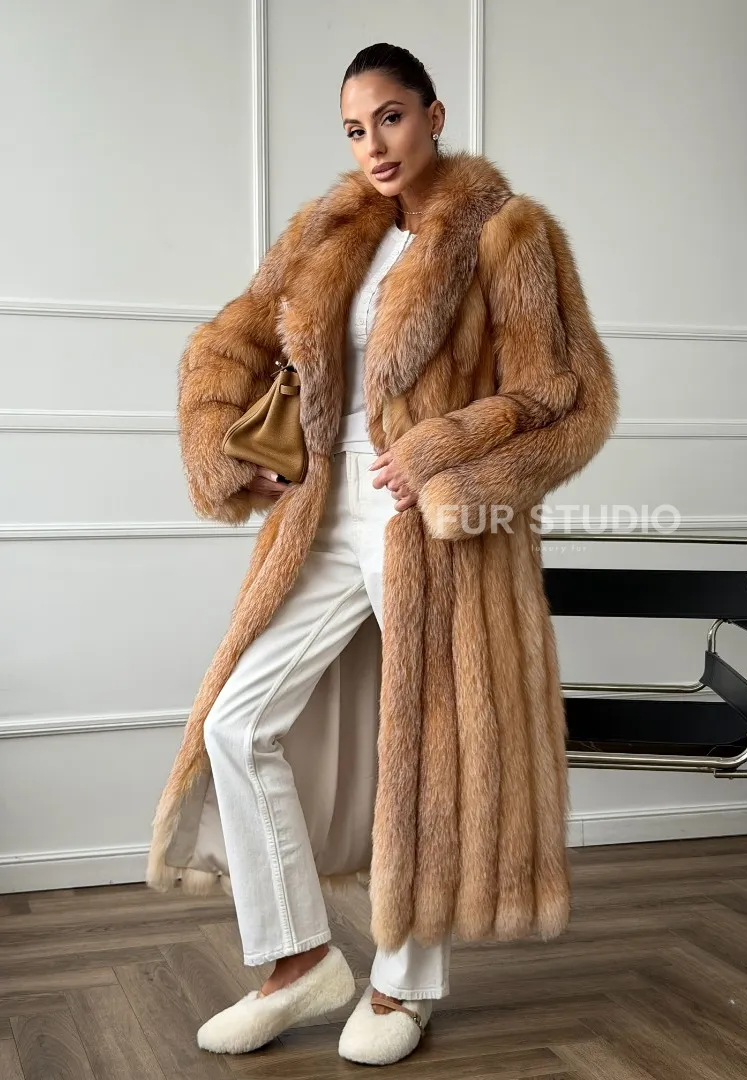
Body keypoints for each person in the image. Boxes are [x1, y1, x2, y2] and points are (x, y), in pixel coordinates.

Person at [146, 42, 619, 1066]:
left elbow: (563, 398)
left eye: (391, 118)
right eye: (355, 129)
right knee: (236, 722)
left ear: (433, 114)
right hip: (325, 509)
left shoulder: (507, 233)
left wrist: (443, 453)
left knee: (427, 744)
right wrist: (230, 450)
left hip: (435, 523)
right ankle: (297, 960)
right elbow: (231, 343)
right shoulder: (332, 231)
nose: (374, 145)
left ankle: (405, 988)